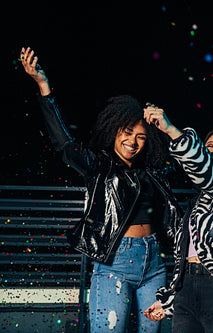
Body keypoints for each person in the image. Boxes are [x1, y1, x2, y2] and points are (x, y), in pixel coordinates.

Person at [20, 47, 181, 333]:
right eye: (127, 132)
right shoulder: (99, 166)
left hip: (155, 263)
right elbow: (64, 145)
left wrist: (168, 128)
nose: (133, 141)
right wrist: (44, 87)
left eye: (141, 136)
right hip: (115, 262)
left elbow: (188, 166)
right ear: (114, 130)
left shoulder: (153, 173)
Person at [141, 106, 213, 333]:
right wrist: (168, 302)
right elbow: (184, 257)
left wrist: (171, 130)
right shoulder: (196, 204)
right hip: (186, 287)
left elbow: (210, 174)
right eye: (210, 147)